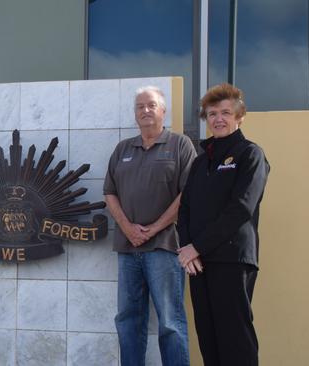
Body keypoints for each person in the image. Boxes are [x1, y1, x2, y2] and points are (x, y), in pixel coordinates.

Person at [177, 83, 269, 366]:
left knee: (235, 339)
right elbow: (186, 209)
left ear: (239, 117)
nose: (218, 118)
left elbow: (241, 208)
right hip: (199, 262)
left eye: (226, 113)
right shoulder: (201, 161)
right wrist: (186, 249)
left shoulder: (250, 154)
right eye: (213, 113)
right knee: (209, 338)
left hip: (232, 259)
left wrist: (196, 247)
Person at [103, 86, 196, 366]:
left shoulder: (180, 145)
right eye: (140, 106)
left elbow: (188, 194)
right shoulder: (123, 149)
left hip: (165, 248)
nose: (145, 110)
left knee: (170, 321)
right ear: (135, 114)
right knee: (128, 320)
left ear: (163, 111)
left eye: (151, 105)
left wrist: (154, 228)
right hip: (127, 248)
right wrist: (128, 228)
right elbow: (109, 192)